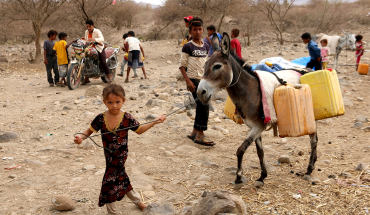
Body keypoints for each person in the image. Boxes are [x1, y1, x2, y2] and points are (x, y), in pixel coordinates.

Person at [74, 84, 166, 215]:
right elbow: (88, 131)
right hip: (110, 157)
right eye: (110, 102)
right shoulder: (100, 118)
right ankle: (138, 202)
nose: (114, 106)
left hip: (121, 156)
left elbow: (140, 130)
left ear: (124, 100)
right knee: (121, 177)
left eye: (118, 102)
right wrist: (80, 137)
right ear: (104, 102)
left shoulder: (127, 118)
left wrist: (155, 121)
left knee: (109, 181)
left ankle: (113, 212)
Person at [179, 17, 215, 146]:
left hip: (204, 80)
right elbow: (182, 65)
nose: (197, 32)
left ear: (203, 30)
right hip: (193, 80)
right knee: (204, 104)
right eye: (195, 29)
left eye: (200, 29)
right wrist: (188, 81)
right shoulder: (188, 46)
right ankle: (200, 135)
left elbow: (206, 63)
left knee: (201, 104)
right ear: (190, 31)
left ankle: (194, 132)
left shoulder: (206, 45)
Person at [81, 20, 112, 84]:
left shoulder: (97, 31)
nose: (88, 28)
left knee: (103, 61)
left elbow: (102, 39)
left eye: (89, 26)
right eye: (87, 27)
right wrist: (84, 40)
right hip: (89, 48)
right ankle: (86, 78)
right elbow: (87, 40)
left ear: (93, 26)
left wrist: (94, 39)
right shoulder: (86, 32)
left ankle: (109, 76)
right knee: (86, 60)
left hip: (98, 48)